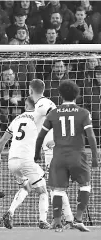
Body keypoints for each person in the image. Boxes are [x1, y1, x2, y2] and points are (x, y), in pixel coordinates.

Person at [35, 81, 99, 232]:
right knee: (85, 185)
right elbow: (91, 137)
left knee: (58, 189)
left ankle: (57, 221)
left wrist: (36, 153)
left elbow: (40, 137)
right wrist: (95, 158)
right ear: (77, 95)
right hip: (78, 156)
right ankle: (78, 219)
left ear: (60, 95)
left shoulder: (53, 113)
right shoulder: (83, 113)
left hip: (59, 157)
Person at [0, 97, 50, 230]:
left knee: (27, 187)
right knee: (42, 191)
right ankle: (43, 220)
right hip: (27, 160)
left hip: (12, 161)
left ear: (25, 106)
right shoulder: (39, 116)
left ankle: (10, 212)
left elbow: (2, 141)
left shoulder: (16, 119)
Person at [29, 79, 73, 228]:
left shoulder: (42, 104)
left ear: (30, 90)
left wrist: (57, 138)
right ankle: (69, 219)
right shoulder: (41, 105)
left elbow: (58, 116)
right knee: (56, 186)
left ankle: (64, 219)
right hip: (51, 149)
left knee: (55, 185)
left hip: (53, 149)